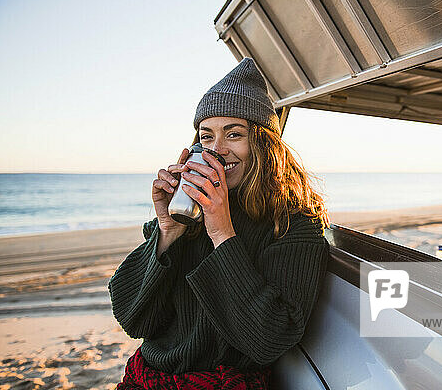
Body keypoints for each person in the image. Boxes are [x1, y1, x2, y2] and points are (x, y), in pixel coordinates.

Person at [109, 58, 330, 389]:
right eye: (207, 136)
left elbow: (269, 339)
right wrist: (167, 232)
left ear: (263, 143)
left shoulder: (294, 223)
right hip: (146, 380)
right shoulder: (187, 214)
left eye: (234, 134)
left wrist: (222, 232)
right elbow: (133, 318)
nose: (218, 150)